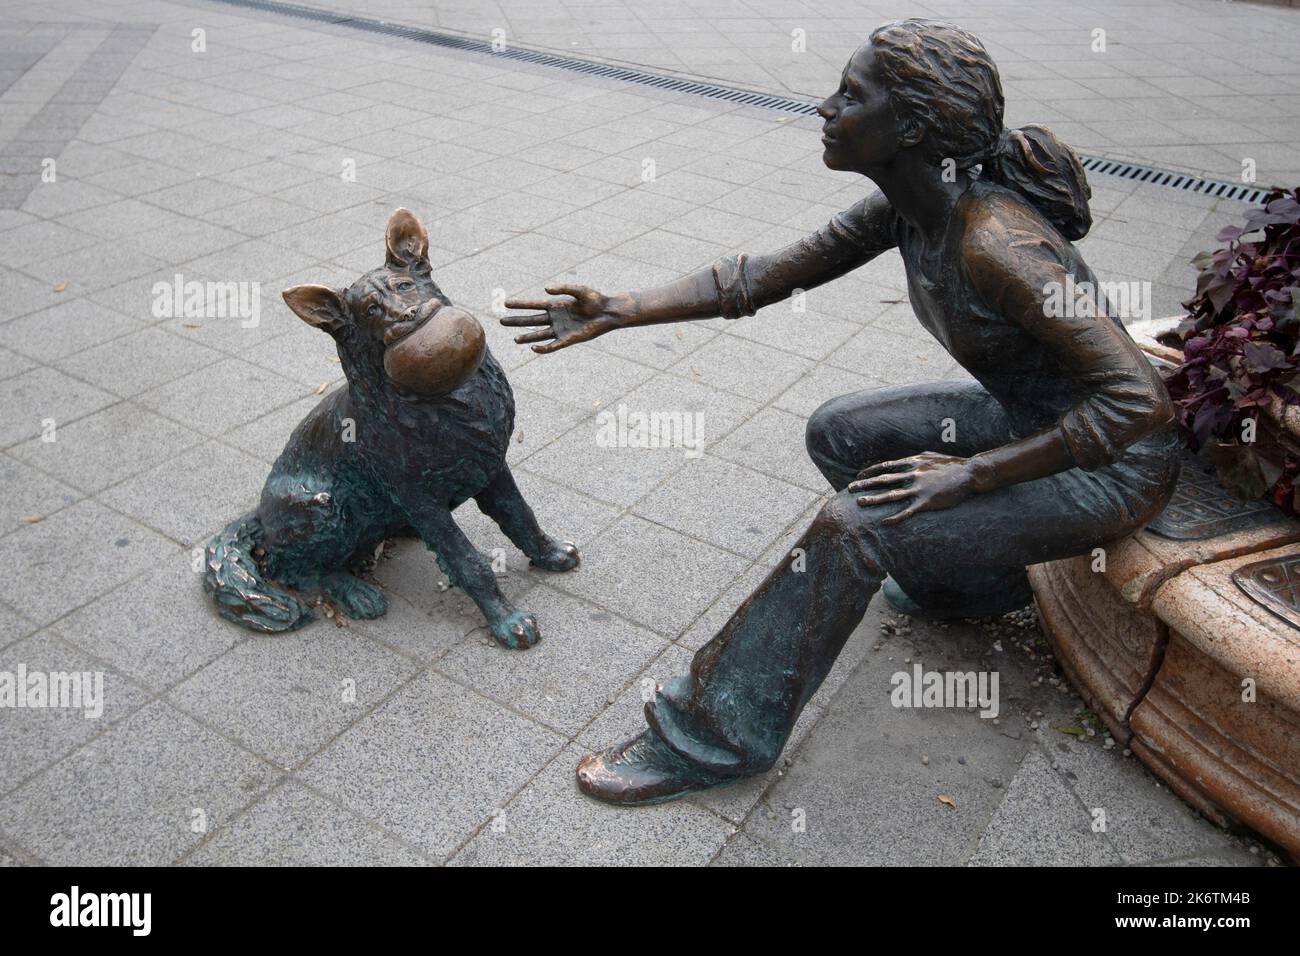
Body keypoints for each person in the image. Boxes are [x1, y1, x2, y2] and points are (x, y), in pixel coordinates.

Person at [501, 19, 1180, 805]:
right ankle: (970, 588)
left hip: (1112, 467)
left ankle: (714, 735)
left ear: (913, 127)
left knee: (855, 524)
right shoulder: (906, 208)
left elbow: (1140, 402)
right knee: (841, 430)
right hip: (1030, 418)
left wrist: (971, 476)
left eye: (852, 95)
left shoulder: (998, 244)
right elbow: (758, 278)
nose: (825, 106)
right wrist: (620, 308)